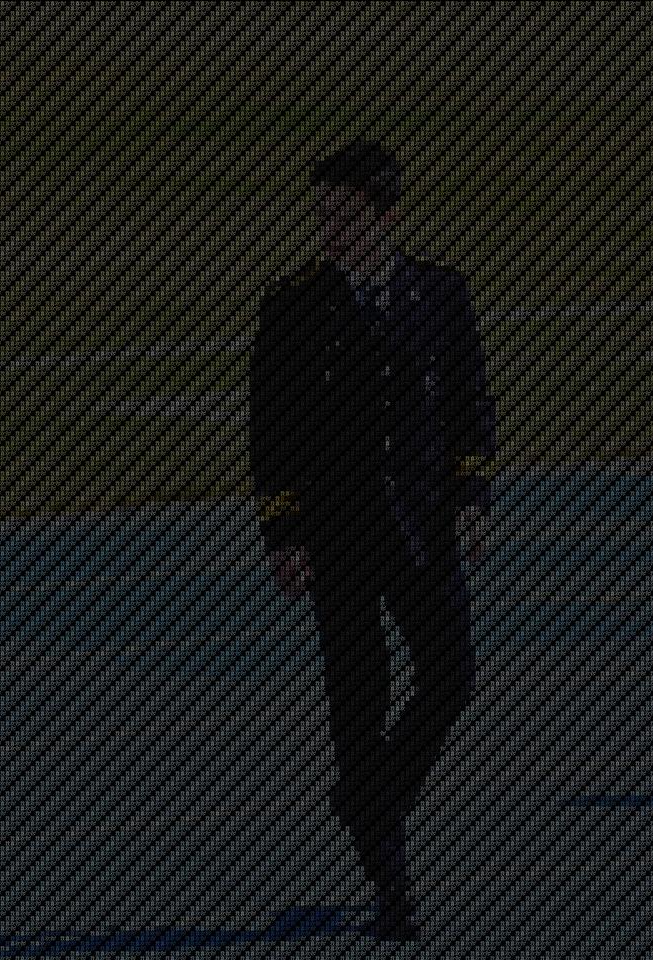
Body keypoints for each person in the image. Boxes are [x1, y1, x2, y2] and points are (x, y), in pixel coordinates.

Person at [248, 139, 498, 942]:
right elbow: (271, 431)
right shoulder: (291, 306)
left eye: (346, 217)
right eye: (322, 216)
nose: (330, 232)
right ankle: (392, 883)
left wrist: (471, 497)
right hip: (339, 537)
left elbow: (468, 404)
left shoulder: (440, 294)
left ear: (386, 217)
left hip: (421, 526)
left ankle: (369, 797)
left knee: (451, 677)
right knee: (359, 703)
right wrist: (282, 532)